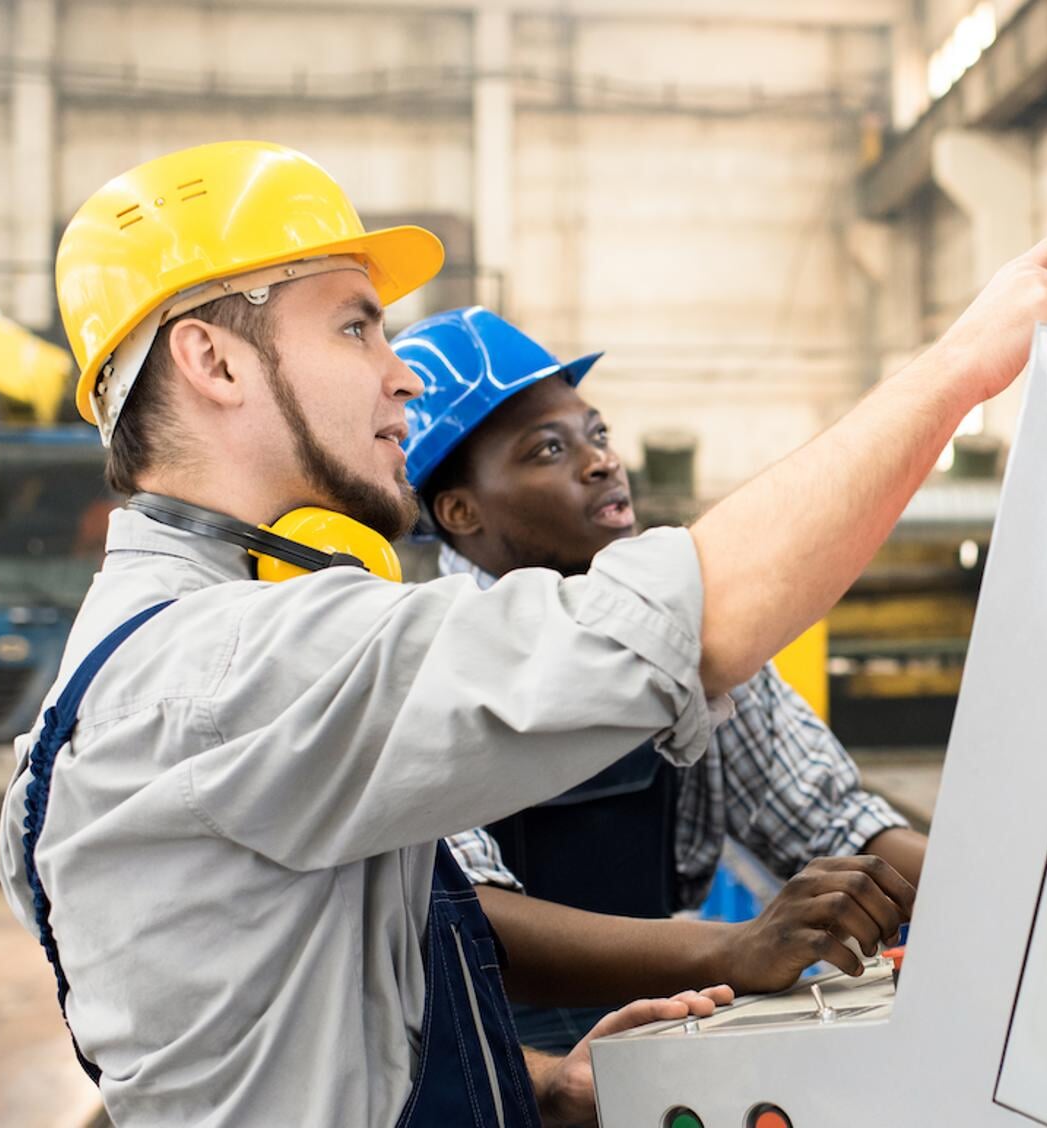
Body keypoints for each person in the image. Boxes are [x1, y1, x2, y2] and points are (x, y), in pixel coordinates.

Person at [0, 138, 1047, 1126]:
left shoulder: (162, 659)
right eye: (354, 325)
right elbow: (675, 626)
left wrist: (541, 1085)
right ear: (214, 362)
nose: (396, 374)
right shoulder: (221, 664)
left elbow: (307, 1034)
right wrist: (962, 365)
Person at [390, 307, 928, 1052]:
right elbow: (464, 918)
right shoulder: (418, 659)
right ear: (459, 509)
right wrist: (733, 948)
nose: (602, 462)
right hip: (493, 1047)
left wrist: (1016, 897)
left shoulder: (685, 633)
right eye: (549, 449)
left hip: (661, 1015)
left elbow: (827, 817)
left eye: (598, 434)